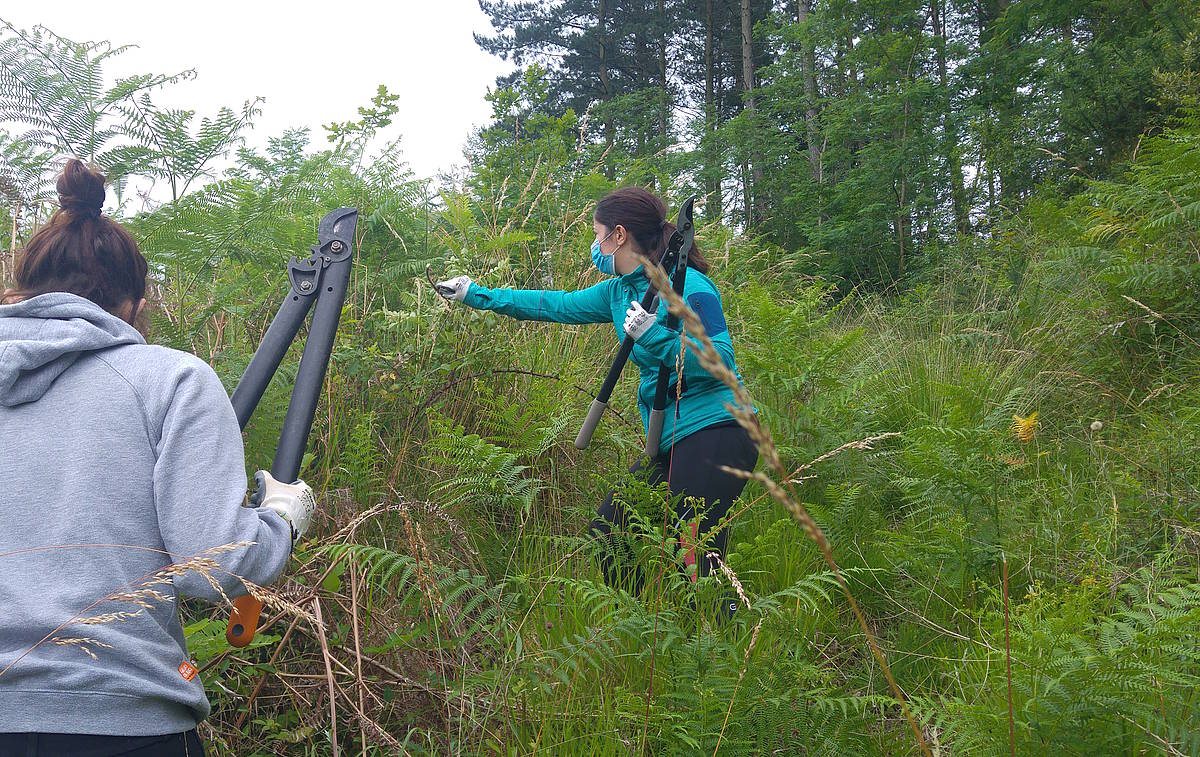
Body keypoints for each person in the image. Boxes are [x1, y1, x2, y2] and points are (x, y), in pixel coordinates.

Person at [0, 160, 315, 756]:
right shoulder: (170, 381)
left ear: (19, 294)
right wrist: (281, 522)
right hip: (124, 722)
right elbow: (212, 566)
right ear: (135, 305)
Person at [436, 186, 758, 606]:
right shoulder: (618, 292)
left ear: (618, 235)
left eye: (598, 233)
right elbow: (553, 305)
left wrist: (654, 335)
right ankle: (644, 626)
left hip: (720, 429)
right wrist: (476, 294)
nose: (595, 244)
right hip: (668, 440)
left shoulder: (689, 285)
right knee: (609, 534)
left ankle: (724, 637)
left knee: (695, 557)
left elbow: (722, 361)